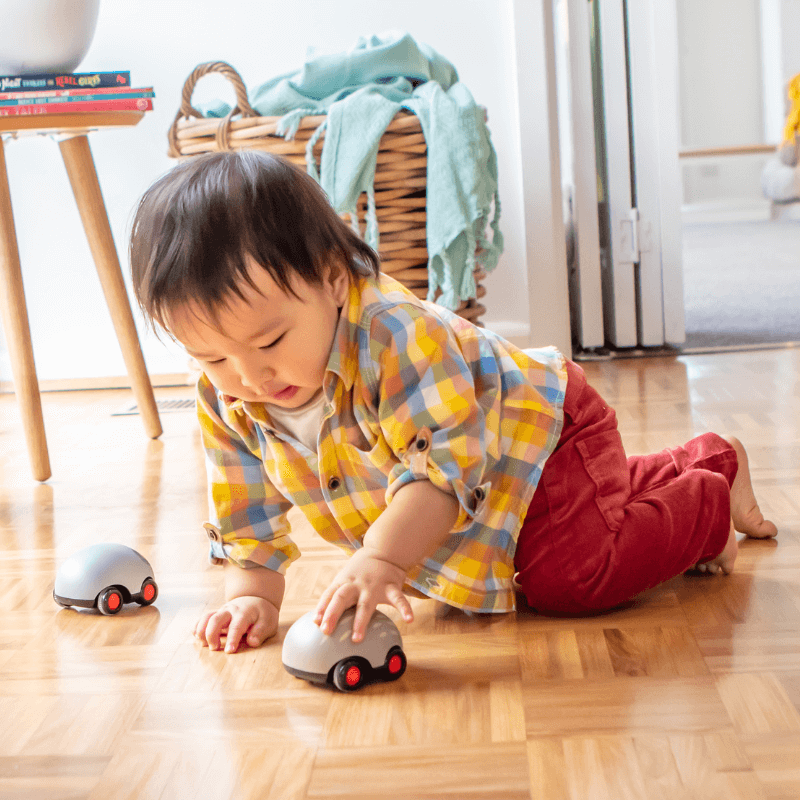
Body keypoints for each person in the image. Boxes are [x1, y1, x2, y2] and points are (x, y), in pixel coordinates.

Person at [129, 151, 778, 654]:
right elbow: (244, 507)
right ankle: (708, 457)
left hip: (547, 436)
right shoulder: (230, 391)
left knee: (569, 579)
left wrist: (382, 557)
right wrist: (254, 597)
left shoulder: (399, 337)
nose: (250, 374)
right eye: (211, 357)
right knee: (555, 535)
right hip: (493, 477)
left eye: (270, 339)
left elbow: (441, 472)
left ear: (332, 279)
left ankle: (706, 507)